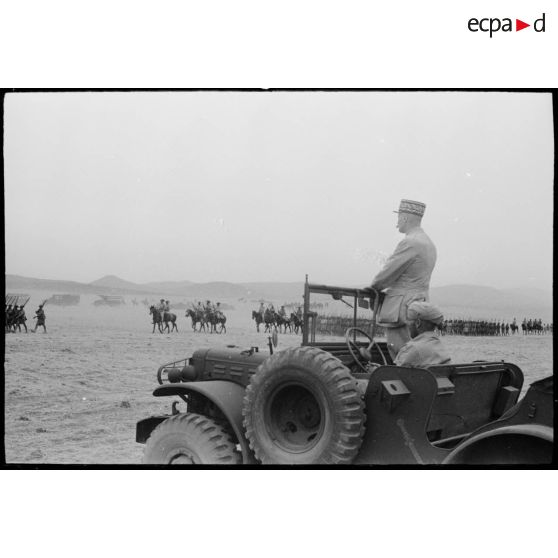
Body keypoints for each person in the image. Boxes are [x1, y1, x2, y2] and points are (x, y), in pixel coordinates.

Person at [370, 199, 437, 359]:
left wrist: (373, 287)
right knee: (418, 352)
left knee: (402, 354)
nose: (397, 222)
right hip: (419, 303)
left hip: (402, 307)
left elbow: (387, 274)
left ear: (405, 218)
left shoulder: (410, 242)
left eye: (399, 217)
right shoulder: (429, 243)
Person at [393, 301, 451, 367]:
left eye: (409, 321)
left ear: (418, 323)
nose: (407, 325)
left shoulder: (412, 349)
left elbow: (395, 374)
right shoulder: (438, 346)